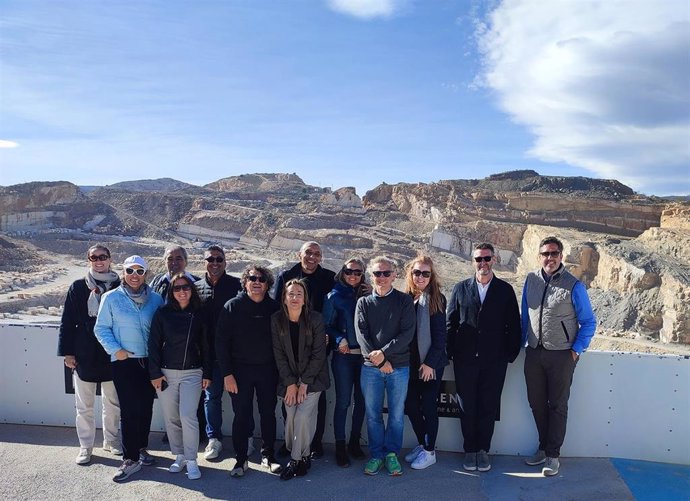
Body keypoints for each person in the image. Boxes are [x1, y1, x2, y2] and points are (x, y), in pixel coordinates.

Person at [521, 236, 596, 477]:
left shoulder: (574, 285)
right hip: (534, 352)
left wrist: (576, 350)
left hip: (562, 354)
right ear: (539, 256)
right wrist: (520, 344)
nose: (550, 258)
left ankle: (553, 455)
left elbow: (588, 322)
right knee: (535, 403)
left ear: (561, 256)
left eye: (554, 253)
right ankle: (543, 448)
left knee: (558, 405)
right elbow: (525, 317)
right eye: (545, 254)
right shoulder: (530, 280)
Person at [446, 243, 521, 472]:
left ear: (494, 260)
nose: (483, 263)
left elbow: (514, 326)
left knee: (488, 406)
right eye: (478, 259)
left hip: (494, 361)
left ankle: (482, 451)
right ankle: (470, 450)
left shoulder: (505, 290)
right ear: (473, 262)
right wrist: (450, 352)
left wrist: (509, 355)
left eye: (487, 258)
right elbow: (451, 323)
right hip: (465, 360)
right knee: (467, 407)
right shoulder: (460, 288)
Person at [94, 255, 164, 482]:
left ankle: (141, 448)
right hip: (124, 362)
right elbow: (101, 328)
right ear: (123, 272)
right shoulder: (111, 298)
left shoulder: (156, 299)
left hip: (149, 361)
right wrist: (117, 350)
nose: (135, 275)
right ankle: (130, 458)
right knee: (129, 410)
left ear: (146, 274)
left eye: (140, 271)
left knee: (145, 408)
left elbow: (162, 329)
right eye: (130, 271)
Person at [216, 265, 282, 477]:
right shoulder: (232, 306)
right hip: (239, 372)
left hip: (268, 371)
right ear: (245, 282)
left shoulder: (274, 308)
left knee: (268, 414)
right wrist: (227, 374)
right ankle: (240, 459)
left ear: (267, 284)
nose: (256, 282)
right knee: (241, 415)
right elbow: (221, 343)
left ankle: (268, 455)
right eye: (252, 278)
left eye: (261, 279)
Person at [58, 244, 122, 465]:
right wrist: (67, 353)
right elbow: (67, 322)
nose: (98, 261)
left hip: (111, 351)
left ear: (110, 259)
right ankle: (86, 446)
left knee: (112, 402)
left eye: (102, 256)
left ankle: (112, 441)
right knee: (84, 405)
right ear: (89, 260)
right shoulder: (78, 287)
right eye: (94, 257)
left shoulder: (119, 285)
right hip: (84, 352)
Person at [355, 256, 415, 476]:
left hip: (399, 368)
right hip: (371, 368)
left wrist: (384, 354)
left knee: (397, 415)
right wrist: (379, 361)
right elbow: (362, 335)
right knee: (373, 415)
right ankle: (376, 455)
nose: (382, 278)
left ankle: (391, 454)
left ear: (394, 275)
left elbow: (407, 333)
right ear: (371, 276)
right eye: (377, 274)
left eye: (386, 273)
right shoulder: (363, 302)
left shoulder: (404, 301)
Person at [148, 273, 212, 480]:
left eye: (185, 287)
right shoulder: (162, 313)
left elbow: (206, 347)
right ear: (171, 291)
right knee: (171, 418)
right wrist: (155, 374)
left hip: (193, 373)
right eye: (177, 288)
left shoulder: (200, 314)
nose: (182, 292)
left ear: (191, 290)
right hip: (166, 374)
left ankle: (192, 460)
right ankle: (179, 456)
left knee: (188, 416)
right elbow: (154, 345)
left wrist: (207, 373)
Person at [274, 241, 335, 458]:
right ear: (299, 254)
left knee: (315, 395)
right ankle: (292, 444)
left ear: (321, 257)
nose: (312, 257)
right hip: (289, 343)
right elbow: (277, 308)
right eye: (308, 252)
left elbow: (341, 300)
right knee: (289, 396)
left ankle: (315, 442)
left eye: (317, 254)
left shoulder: (330, 278)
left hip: (318, 344)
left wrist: (360, 288)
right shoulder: (286, 276)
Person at [271, 279, 330, 480]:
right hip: (288, 380)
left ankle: (295, 460)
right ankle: (304, 455)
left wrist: (304, 383)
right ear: (284, 298)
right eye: (291, 294)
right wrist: (290, 383)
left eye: (299, 294)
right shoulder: (276, 320)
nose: (295, 297)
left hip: (313, 379)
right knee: (290, 417)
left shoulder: (316, 319)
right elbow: (278, 354)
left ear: (305, 299)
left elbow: (319, 354)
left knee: (302, 417)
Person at [195, 245, 242, 461]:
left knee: (239, 398)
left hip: (234, 355)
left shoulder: (237, 285)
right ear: (204, 261)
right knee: (211, 398)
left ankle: (244, 436)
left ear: (225, 262)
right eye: (210, 259)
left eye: (219, 259)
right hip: (208, 356)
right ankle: (214, 439)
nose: (215, 263)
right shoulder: (195, 288)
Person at [402, 255, 448, 470]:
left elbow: (440, 337)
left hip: (430, 365)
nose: (420, 277)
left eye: (425, 273)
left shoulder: (436, 299)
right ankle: (423, 444)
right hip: (409, 365)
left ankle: (430, 451)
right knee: (411, 406)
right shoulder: (405, 298)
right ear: (410, 274)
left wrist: (429, 364)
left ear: (432, 276)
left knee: (429, 407)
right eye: (417, 272)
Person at [322, 258, 369, 467]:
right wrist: (338, 339)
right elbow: (326, 325)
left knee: (361, 401)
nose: (353, 275)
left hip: (365, 357)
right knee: (343, 402)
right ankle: (340, 446)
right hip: (344, 356)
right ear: (343, 272)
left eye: (357, 272)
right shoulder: (334, 295)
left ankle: (354, 442)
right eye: (349, 271)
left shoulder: (368, 294)